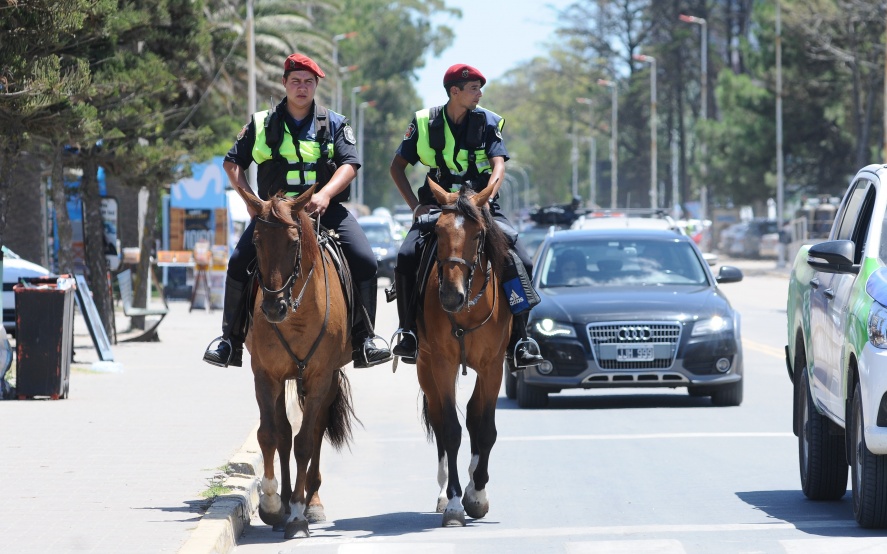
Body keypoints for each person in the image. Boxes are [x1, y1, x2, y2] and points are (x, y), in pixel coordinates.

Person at [203, 53, 391, 369]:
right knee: (237, 262)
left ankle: (365, 339)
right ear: (284, 84)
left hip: (322, 210)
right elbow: (232, 163)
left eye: (308, 82)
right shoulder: (261, 123)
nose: (301, 88)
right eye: (295, 81)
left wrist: (326, 194)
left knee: (365, 260)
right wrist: (252, 201)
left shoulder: (334, 122)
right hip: (275, 217)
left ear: (316, 85)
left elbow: (350, 164)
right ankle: (229, 341)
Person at [389, 63, 543, 368]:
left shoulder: (487, 121)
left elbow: (498, 164)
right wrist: (415, 207)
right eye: (473, 88)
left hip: (481, 207)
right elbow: (397, 167)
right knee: (406, 255)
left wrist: (486, 197)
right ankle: (408, 332)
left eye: (479, 88)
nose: (480, 94)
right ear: (454, 92)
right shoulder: (423, 122)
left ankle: (520, 339)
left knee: (521, 259)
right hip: (439, 207)